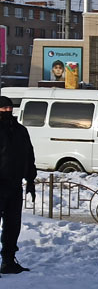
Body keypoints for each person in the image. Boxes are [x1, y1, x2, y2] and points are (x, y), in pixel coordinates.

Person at [0, 95, 36, 274]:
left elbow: (29, 155)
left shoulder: (20, 130)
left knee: (13, 224)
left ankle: (8, 260)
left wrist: (31, 179)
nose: (7, 111)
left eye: (9, 108)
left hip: (14, 185)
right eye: (3, 109)